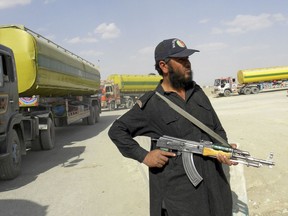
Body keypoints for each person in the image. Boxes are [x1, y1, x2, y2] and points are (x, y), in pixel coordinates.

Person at [108, 38, 236, 216]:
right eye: (182, 61)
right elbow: (117, 130)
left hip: (215, 187)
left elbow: (216, 128)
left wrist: (223, 147)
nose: (188, 65)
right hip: (181, 197)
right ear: (164, 66)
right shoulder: (152, 103)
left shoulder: (197, 92)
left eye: (188, 60)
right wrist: (144, 156)